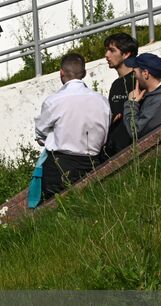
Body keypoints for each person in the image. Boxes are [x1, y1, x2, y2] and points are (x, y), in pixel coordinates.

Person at [34, 52, 110, 200]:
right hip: (93, 162)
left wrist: (53, 137)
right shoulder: (101, 101)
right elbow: (105, 133)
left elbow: (40, 133)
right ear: (84, 73)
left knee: (54, 208)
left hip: (60, 166)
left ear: (61, 72)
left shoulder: (53, 101)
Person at [122, 53, 161, 143]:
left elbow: (135, 132)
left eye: (134, 73)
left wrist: (131, 104)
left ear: (145, 73)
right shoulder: (156, 96)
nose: (134, 77)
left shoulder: (160, 101)